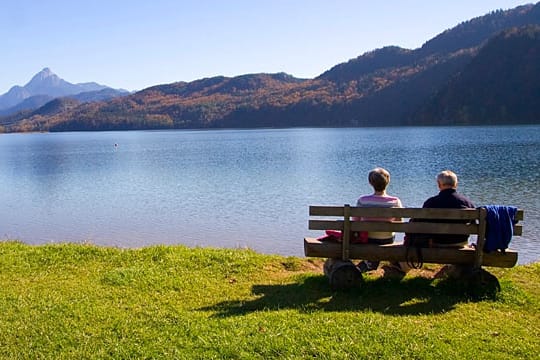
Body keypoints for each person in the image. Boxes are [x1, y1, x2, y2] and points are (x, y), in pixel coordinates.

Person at [356, 167, 403, 272]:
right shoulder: (395, 201)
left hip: (367, 240)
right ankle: (372, 263)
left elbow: (355, 223)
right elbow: (399, 223)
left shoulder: (362, 201)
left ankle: (370, 263)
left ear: (370, 183)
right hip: (387, 239)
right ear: (388, 182)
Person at [421, 170, 475, 246]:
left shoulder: (430, 202)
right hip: (460, 243)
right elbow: (473, 225)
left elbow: (422, 225)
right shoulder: (467, 202)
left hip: (436, 243)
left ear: (439, 185)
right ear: (456, 184)